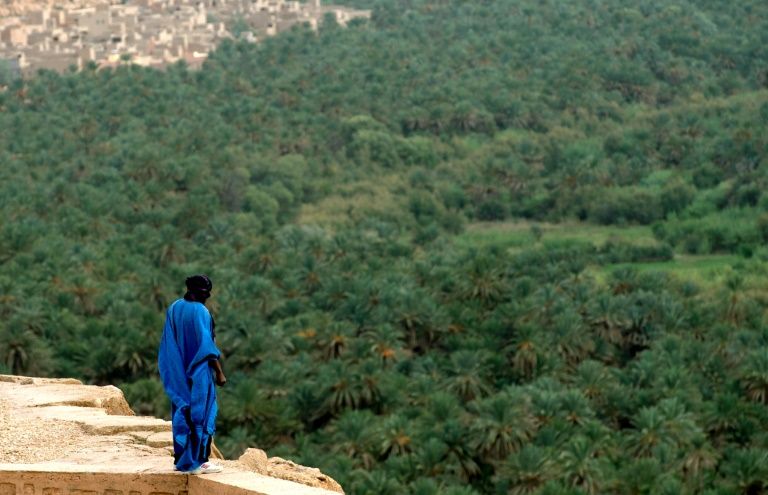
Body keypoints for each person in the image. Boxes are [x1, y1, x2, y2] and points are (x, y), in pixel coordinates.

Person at [158, 274, 227, 474]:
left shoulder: (174, 307)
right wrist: (219, 373)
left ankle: (181, 459)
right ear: (197, 292)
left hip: (178, 371)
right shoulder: (201, 312)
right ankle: (198, 462)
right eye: (205, 293)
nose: (207, 297)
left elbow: (169, 341)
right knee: (200, 414)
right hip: (198, 373)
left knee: (182, 410)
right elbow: (207, 348)